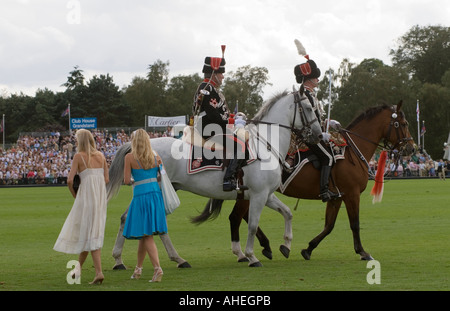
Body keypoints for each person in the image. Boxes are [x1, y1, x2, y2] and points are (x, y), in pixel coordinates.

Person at [53, 129, 109, 285]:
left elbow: (70, 180)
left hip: (85, 198)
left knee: (89, 234)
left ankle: (99, 272)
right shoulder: (101, 156)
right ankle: (78, 269)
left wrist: (75, 195)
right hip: (99, 199)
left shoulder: (79, 156)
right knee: (89, 233)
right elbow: (106, 179)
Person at [192, 48, 247, 192]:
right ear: (214, 74)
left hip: (216, 127)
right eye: (221, 73)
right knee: (240, 146)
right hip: (208, 128)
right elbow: (212, 115)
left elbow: (221, 114)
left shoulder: (213, 89)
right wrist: (231, 122)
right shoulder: (206, 88)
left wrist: (234, 118)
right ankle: (228, 180)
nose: (223, 76)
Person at [122, 129, 167, 282]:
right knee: (144, 233)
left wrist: (138, 181)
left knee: (146, 235)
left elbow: (127, 180)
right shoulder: (156, 157)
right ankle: (138, 269)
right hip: (155, 195)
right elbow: (162, 176)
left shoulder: (129, 157)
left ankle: (157, 268)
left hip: (141, 196)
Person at [294, 58, 340, 202]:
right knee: (327, 157)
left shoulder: (312, 94)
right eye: (315, 77)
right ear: (308, 79)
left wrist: (328, 122)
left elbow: (317, 118)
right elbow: (307, 122)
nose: (317, 79)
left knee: (336, 149)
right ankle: (324, 191)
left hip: (317, 133)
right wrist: (321, 134)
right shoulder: (305, 95)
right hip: (309, 136)